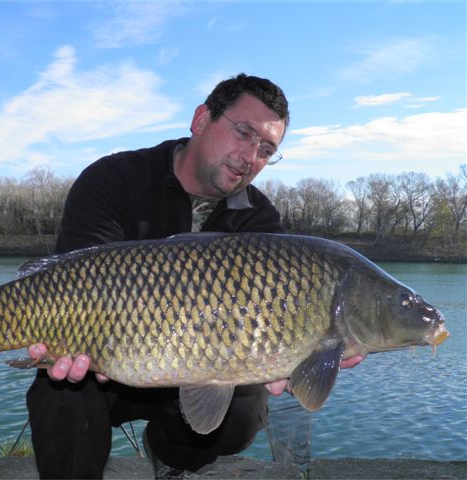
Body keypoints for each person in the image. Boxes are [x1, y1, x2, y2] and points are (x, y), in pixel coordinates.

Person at [25, 73, 364, 479]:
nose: (250, 155)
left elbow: (276, 320)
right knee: (60, 390)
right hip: (107, 364)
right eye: (244, 132)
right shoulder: (113, 179)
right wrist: (83, 341)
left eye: (267, 148)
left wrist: (304, 350)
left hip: (197, 370)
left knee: (245, 410)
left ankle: (171, 454)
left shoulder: (259, 220)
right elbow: (70, 282)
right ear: (202, 119)